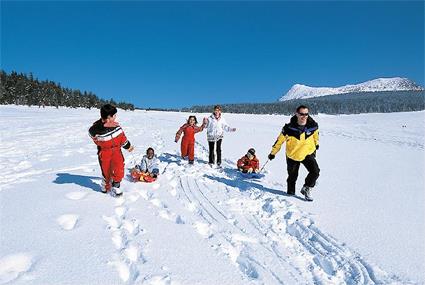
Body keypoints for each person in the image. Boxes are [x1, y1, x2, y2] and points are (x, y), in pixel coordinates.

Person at [268, 105, 320, 201]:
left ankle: (307, 188)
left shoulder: (313, 126)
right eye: (301, 114)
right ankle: (290, 196)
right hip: (293, 155)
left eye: (306, 114)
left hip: (307, 153)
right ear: (296, 114)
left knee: (315, 172)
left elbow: (316, 135)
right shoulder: (288, 128)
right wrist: (273, 153)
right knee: (292, 176)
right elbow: (279, 141)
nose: (304, 116)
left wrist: (316, 144)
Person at [89, 104, 134, 195]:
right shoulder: (97, 129)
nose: (116, 117)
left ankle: (116, 185)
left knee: (119, 168)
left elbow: (122, 138)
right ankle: (106, 186)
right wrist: (101, 125)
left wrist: (128, 146)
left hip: (117, 151)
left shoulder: (117, 127)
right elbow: (92, 134)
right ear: (109, 117)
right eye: (114, 115)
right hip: (105, 152)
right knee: (106, 171)